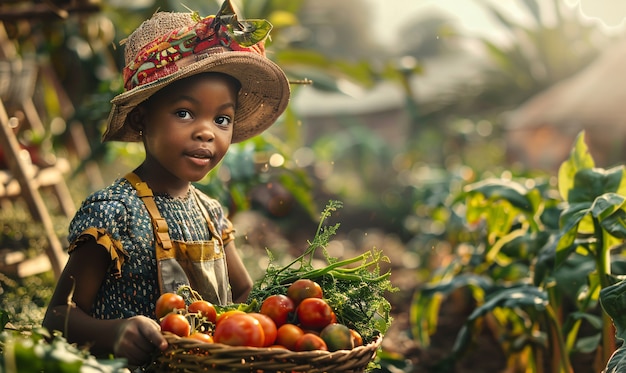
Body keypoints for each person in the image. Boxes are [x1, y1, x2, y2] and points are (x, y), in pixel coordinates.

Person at [42, 1, 290, 367]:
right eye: (184, 113)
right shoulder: (114, 212)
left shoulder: (212, 214)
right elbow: (57, 316)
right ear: (142, 117)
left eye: (222, 119)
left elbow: (244, 292)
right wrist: (114, 333)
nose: (207, 131)